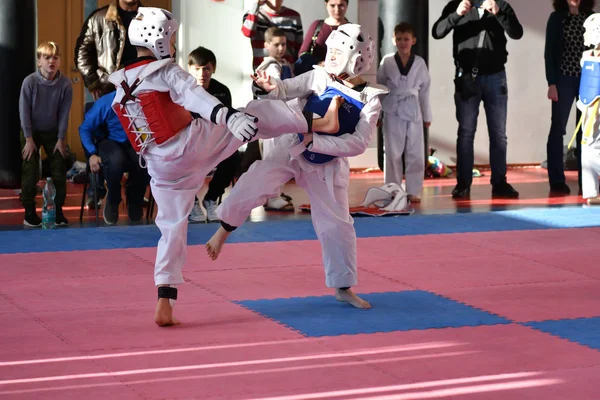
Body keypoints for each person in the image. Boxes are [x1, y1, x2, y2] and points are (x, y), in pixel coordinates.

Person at [109, 7, 341, 326]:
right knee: (257, 111)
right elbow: (195, 98)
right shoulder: (165, 71)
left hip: (160, 167)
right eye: (172, 36)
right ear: (159, 38)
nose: (175, 42)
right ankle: (317, 122)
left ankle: (165, 297)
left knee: (171, 229)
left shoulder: (121, 81)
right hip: (189, 146)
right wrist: (229, 117)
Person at [206, 24, 389, 310]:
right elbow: (286, 89)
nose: (331, 56)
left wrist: (314, 140)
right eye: (330, 50)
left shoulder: (370, 100)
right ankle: (223, 230)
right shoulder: (317, 76)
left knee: (337, 226)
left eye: (338, 52)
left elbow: (357, 144)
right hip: (289, 146)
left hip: (325, 164)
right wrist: (269, 87)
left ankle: (343, 287)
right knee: (255, 181)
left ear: (356, 59)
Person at [432, 0, 523, 199]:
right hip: (466, 77)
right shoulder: (456, 5)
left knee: (498, 134)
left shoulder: (501, 5)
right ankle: (463, 184)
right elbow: (437, 32)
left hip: (496, 76)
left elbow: (517, 32)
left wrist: (498, 13)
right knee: (466, 132)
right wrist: (456, 14)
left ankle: (499, 182)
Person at [377, 22, 432, 203]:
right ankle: (393, 189)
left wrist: (427, 115)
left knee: (415, 152)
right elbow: (379, 88)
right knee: (392, 152)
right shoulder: (387, 61)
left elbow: (424, 90)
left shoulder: (419, 63)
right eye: (399, 39)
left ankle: (413, 190)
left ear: (413, 41)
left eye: (406, 39)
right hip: (392, 108)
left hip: (413, 108)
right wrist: (376, 113)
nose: (403, 42)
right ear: (393, 40)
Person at [19, 41, 72, 227]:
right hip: (31, 131)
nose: (52, 61)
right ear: (39, 61)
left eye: (55, 57)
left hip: (53, 131)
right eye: (47, 57)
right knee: (30, 170)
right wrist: (28, 139)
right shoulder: (30, 82)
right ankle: (29, 211)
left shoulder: (65, 84)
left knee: (59, 168)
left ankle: (58, 211)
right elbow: (24, 112)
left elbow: (65, 113)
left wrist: (60, 139)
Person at [545, 0, 596, 195]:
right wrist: (552, 83)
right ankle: (557, 180)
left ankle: (587, 181)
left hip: (587, 81)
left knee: (587, 133)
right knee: (558, 129)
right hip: (564, 80)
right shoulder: (557, 18)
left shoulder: (590, 18)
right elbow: (549, 52)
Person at [187, 46, 241, 222]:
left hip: (214, 142)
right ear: (189, 69)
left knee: (233, 157)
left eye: (207, 69)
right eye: (197, 69)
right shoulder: (183, 90)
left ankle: (211, 198)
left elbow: (227, 121)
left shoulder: (222, 91)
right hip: (190, 144)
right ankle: (190, 203)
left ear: (213, 69)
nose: (202, 73)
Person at [79, 91, 151, 224]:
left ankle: (135, 199)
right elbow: (84, 128)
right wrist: (92, 153)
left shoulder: (145, 98)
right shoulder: (106, 102)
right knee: (115, 160)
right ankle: (113, 198)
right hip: (109, 140)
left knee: (147, 160)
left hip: (135, 139)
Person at [256, 27, 296, 211]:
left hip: (281, 118)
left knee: (279, 159)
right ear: (266, 46)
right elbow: (275, 87)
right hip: (273, 119)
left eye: (283, 44)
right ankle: (272, 196)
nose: (281, 48)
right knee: (273, 159)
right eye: (276, 44)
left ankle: (273, 194)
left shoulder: (284, 64)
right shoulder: (271, 66)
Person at [74, 0, 141, 100]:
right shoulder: (98, 18)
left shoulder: (149, 17)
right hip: (108, 88)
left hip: (142, 87)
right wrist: (93, 82)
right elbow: (82, 51)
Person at [577, 13, 600, 205]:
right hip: (587, 107)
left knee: (594, 147)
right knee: (586, 145)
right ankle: (591, 191)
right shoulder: (587, 56)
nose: (585, 35)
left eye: (588, 31)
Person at [241, 0, 303, 71]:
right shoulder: (253, 15)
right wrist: (256, 4)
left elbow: (299, 49)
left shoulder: (294, 16)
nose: (275, 2)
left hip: (288, 74)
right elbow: (247, 32)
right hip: (262, 73)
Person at [297, 0, 350, 70]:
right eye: (332, 5)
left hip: (343, 76)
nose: (337, 9)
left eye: (341, 5)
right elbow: (302, 53)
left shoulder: (352, 29)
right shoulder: (317, 25)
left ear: (347, 5)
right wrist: (319, 63)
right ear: (326, 5)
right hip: (318, 75)